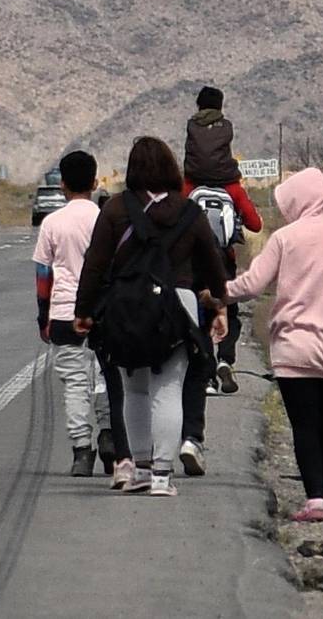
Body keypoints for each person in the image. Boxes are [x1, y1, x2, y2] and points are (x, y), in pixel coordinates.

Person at [75, 137, 229, 497]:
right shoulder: (189, 212)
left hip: (127, 306)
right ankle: (162, 474)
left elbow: (95, 264)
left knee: (134, 390)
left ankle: (140, 469)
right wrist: (218, 305)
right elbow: (212, 265)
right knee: (169, 389)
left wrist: (84, 311)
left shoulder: (115, 209)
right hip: (178, 305)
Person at [225, 168, 323, 521]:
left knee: (304, 424)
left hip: (294, 347)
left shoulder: (284, 238)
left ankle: (315, 499)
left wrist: (219, 293)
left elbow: (252, 285)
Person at [179, 85, 264, 477]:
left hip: (193, 264)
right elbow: (256, 224)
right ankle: (227, 358)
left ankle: (209, 368)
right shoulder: (231, 185)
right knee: (229, 309)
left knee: (199, 315)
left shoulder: (188, 185)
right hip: (225, 262)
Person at [33, 151, 127, 480]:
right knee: (105, 377)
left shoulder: (52, 223)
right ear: (95, 181)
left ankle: (81, 451)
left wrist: (43, 315)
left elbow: (43, 273)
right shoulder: (106, 219)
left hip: (63, 312)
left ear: (62, 185)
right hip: (104, 311)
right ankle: (109, 435)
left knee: (74, 384)